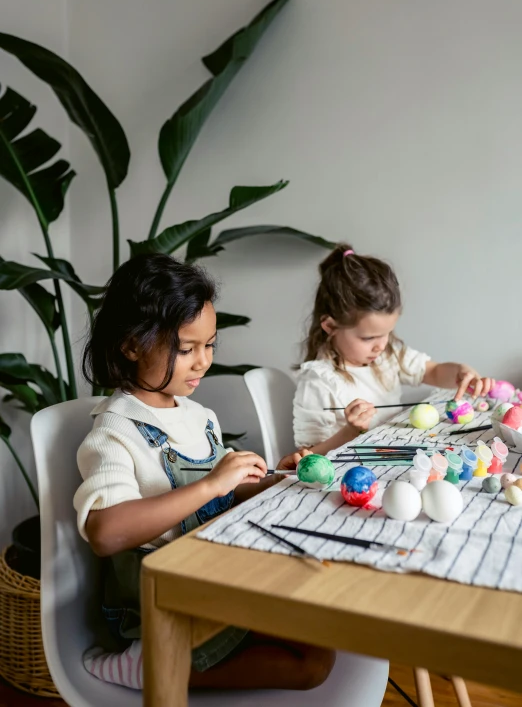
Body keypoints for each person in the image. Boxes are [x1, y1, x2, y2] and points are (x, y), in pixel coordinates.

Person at [73, 253, 334, 691]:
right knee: (310, 666)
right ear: (131, 344)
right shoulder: (114, 431)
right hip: (158, 603)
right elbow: (105, 532)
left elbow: (223, 495)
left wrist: (270, 477)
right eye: (185, 348)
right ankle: (148, 665)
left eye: (209, 345)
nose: (202, 361)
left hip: (213, 574)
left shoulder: (200, 416)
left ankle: (167, 665)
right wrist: (215, 481)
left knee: (321, 646)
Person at [290, 244, 494, 457]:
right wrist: (351, 430)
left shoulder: (389, 356)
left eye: (386, 333)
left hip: (394, 461)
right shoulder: (319, 381)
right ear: (330, 326)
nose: (380, 345)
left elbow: (432, 371)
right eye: (368, 338)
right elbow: (307, 456)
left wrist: (461, 373)